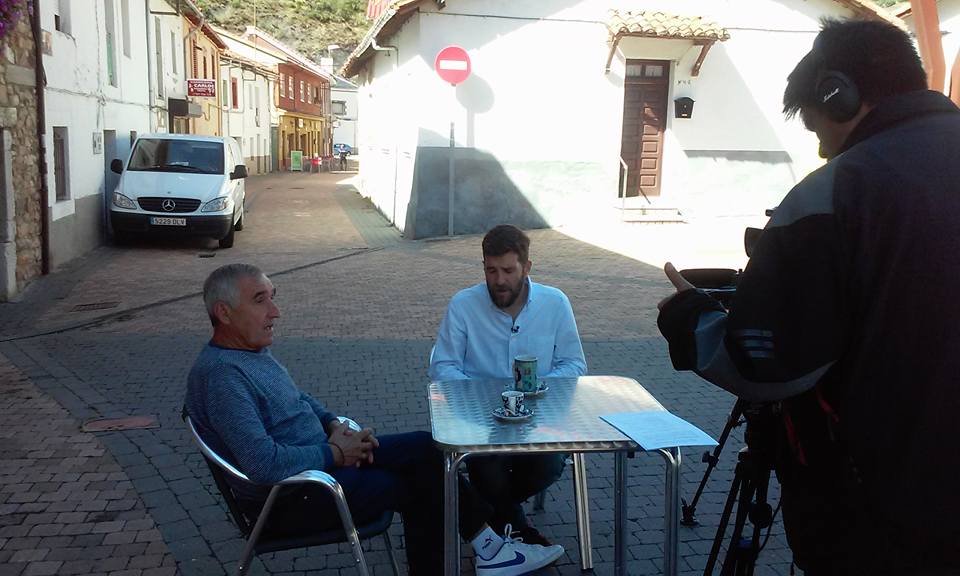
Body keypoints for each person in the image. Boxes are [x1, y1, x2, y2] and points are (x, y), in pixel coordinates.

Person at [656, 19, 960, 575]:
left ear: (838, 95)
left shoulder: (838, 190)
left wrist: (689, 315)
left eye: (817, 126)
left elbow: (762, 365)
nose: (819, 147)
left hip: (881, 516)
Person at [185, 263, 564, 575]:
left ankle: (490, 548)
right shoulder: (222, 376)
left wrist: (335, 425)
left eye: (273, 298)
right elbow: (262, 464)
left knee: (427, 448)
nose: (275, 312)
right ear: (224, 312)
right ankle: (490, 550)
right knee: (418, 484)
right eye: (260, 300)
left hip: (319, 463)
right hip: (292, 497)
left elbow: (298, 401)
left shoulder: (250, 353)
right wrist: (334, 454)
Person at [430, 224, 587, 545]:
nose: (499, 280)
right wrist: (486, 397)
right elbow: (442, 366)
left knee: (547, 466)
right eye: (491, 270)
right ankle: (520, 531)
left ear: (527, 268)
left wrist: (536, 389)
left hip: (539, 420)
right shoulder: (463, 304)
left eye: (508, 270)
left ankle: (483, 512)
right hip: (480, 420)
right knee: (486, 465)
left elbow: (574, 365)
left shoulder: (555, 303)